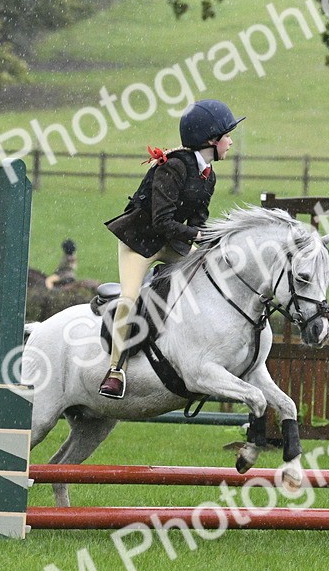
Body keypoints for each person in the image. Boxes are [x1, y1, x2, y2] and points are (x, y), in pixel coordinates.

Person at [98, 99, 244, 399]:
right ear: (210, 139)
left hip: (171, 243)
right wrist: (199, 234)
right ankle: (115, 371)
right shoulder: (173, 167)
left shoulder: (209, 176)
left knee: (208, 275)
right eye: (227, 135)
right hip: (140, 243)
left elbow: (198, 220)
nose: (231, 142)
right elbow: (162, 221)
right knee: (129, 298)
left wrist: (210, 241)